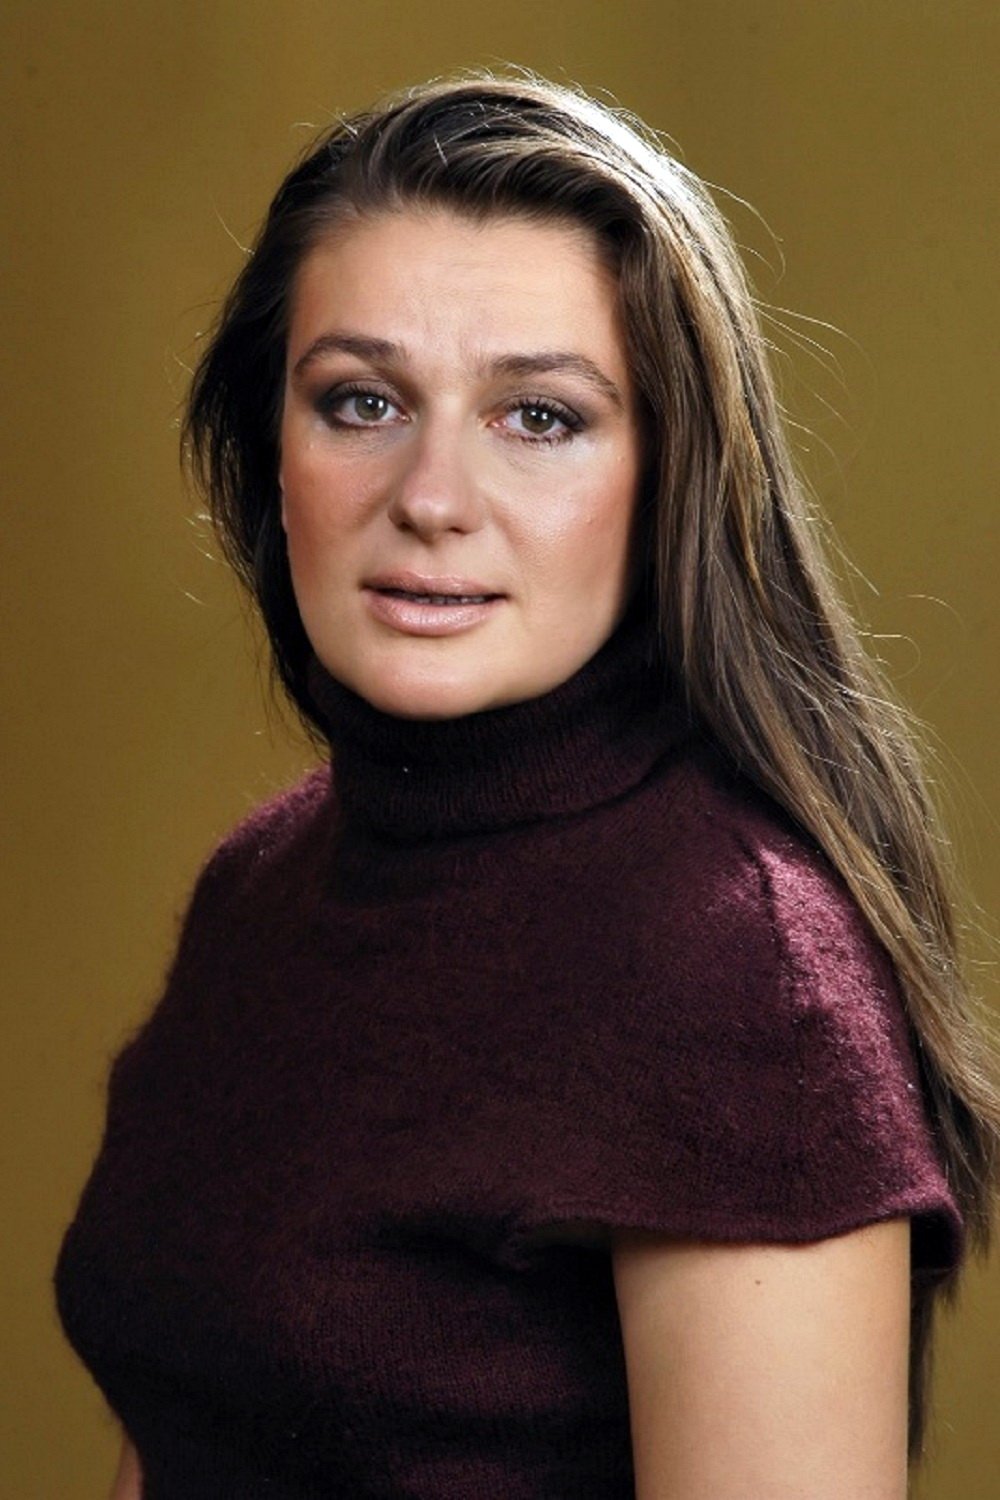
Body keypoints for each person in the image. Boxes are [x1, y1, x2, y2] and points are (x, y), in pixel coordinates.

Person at [54, 72, 998, 1499]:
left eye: (540, 418)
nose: (431, 497)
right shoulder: (259, 891)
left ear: (673, 475)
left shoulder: (741, 975)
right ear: (268, 450)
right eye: (361, 401)